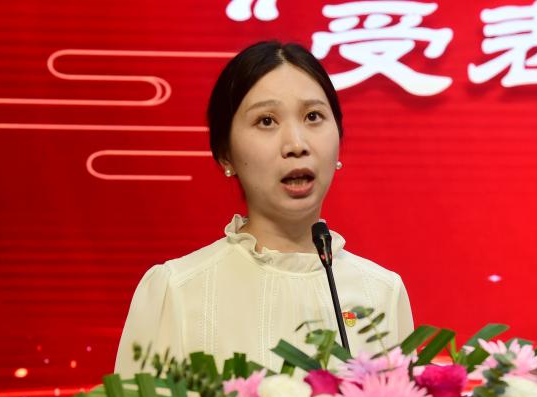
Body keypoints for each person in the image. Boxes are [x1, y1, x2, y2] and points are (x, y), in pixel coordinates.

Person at [115, 41, 414, 377]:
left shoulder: (380, 292)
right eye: (267, 121)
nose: (296, 144)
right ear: (225, 154)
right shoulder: (178, 292)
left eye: (313, 116)